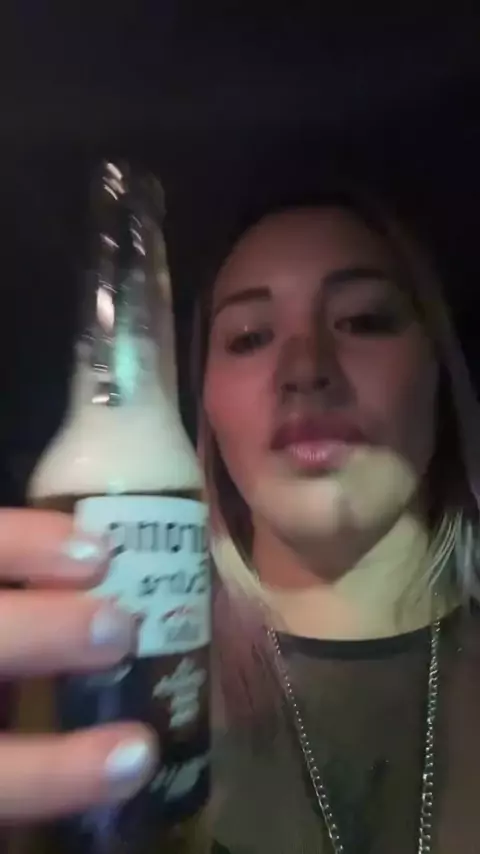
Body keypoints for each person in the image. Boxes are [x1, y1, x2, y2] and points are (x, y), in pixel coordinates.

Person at [1, 186, 480, 854]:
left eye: (363, 319)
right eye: (249, 337)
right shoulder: (116, 680)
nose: (306, 369)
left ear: (438, 370)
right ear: (206, 405)